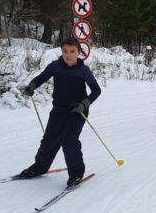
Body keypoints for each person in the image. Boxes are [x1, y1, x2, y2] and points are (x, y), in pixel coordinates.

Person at [18, 38, 102, 187]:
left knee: (69, 141)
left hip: (78, 111)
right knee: (49, 140)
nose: (68, 55)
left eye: (72, 51)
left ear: (78, 52)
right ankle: (39, 168)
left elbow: (96, 90)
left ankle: (76, 174)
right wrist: (32, 86)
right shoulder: (55, 66)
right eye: (65, 51)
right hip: (58, 110)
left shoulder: (84, 70)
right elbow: (41, 78)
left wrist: (84, 104)